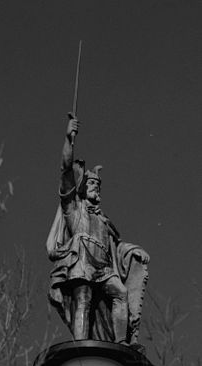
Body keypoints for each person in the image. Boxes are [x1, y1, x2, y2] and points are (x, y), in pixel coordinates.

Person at [46, 114, 150, 344]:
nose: (95, 188)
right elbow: (65, 171)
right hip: (82, 259)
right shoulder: (74, 208)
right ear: (83, 189)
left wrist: (132, 251)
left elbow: (116, 247)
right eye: (91, 184)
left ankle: (122, 342)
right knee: (83, 298)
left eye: (97, 185)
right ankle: (81, 345)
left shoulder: (104, 221)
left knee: (121, 294)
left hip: (103, 265)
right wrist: (68, 139)